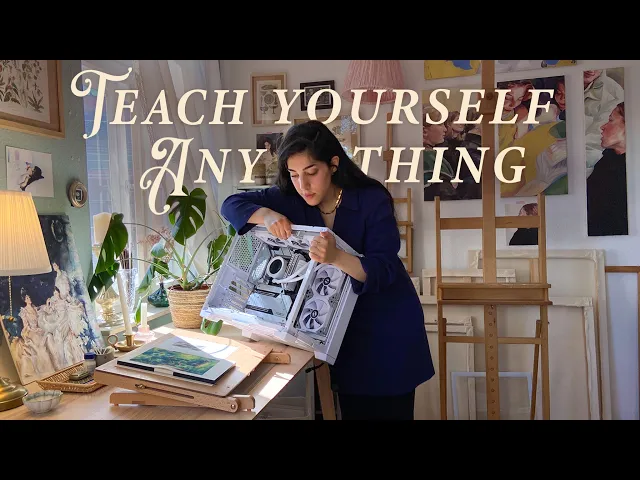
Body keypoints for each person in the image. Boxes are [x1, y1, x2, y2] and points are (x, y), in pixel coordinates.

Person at [221, 120, 435, 420]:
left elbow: (384, 270)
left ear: (333, 164)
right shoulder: (291, 198)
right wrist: (266, 215)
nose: (303, 185)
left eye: (311, 172)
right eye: (294, 174)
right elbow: (231, 204)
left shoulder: (371, 198)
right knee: (354, 409)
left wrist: (337, 257)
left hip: (388, 324)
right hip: (342, 331)